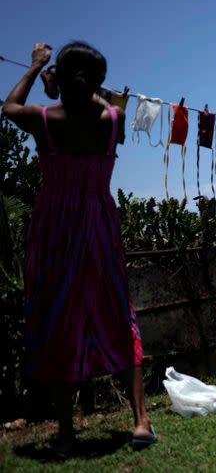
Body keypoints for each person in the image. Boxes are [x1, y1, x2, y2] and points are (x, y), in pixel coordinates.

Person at [1, 41, 159, 456]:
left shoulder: (44, 119)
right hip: (100, 227)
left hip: (54, 228)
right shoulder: (114, 118)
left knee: (57, 318)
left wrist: (37, 69)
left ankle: (68, 435)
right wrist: (74, 86)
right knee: (116, 312)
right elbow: (95, 98)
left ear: (60, 75)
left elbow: (9, 107)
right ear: (98, 81)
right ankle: (141, 421)